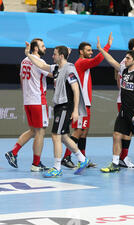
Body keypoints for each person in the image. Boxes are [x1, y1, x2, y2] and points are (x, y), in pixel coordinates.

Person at [23, 44, 90, 178]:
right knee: (64, 136)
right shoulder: (56, 68)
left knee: (55, 135)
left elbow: (76, 89)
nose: (52, 56)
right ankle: (82, 159)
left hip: (66, 106)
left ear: (61, 56)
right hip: (59, 106)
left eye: (54, 54)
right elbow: (41, 66)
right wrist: (28, 55)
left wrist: (75, 110)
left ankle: (57, 167)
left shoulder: (69, 69)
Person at [61, 34, 112, 169]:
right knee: (78, 131)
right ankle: (66, 157)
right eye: (88, 50)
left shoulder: (83, 64)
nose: (91, 52)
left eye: (91, 50)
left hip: (86, 103)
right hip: (81, 104)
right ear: (81, 52)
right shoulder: (81, 63)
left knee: (84, 132)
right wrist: (105, 47)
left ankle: (83, 159)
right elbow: (97, 60)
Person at [4, 39, 50, 172]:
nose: (45, 48)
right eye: (42, 46)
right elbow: (53, 74)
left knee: (33, 131)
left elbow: (21, 79)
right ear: (35, 49)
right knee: (40, 132)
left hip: (27, 101)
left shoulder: (24, 61)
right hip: (38, 100)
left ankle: (13, 152)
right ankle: (36, 164)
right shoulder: (40, 62)